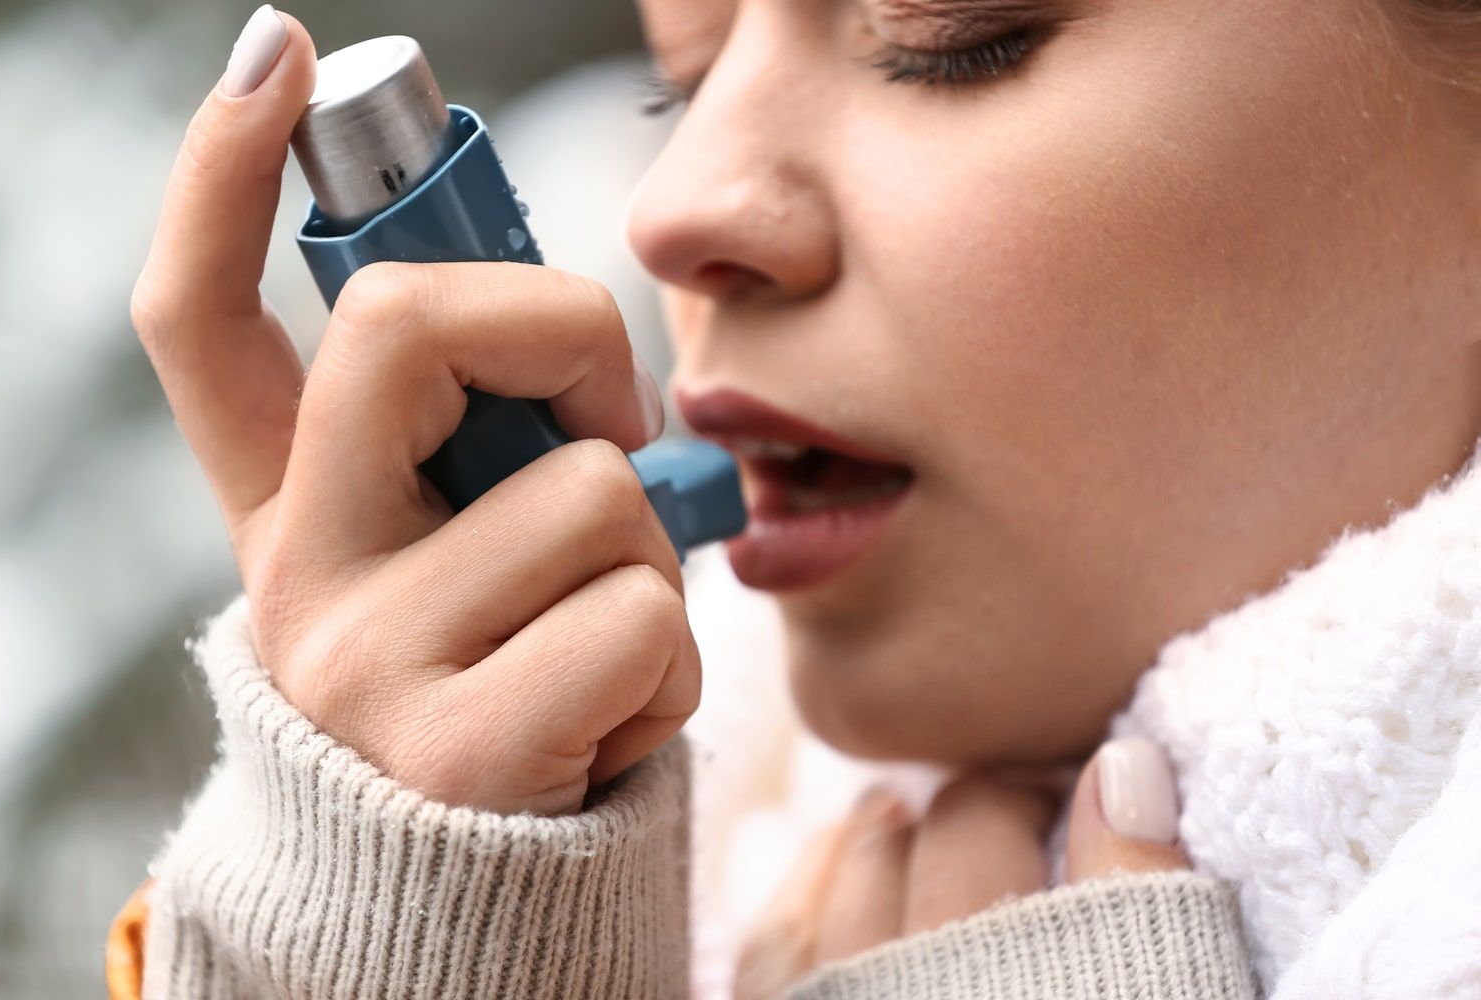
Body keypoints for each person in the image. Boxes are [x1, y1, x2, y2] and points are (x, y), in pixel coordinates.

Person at [109, 0, 1481, 996]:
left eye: (950, 35)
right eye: (681, 79)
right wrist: (371, 933)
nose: (672, 209)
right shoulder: (596, 806)